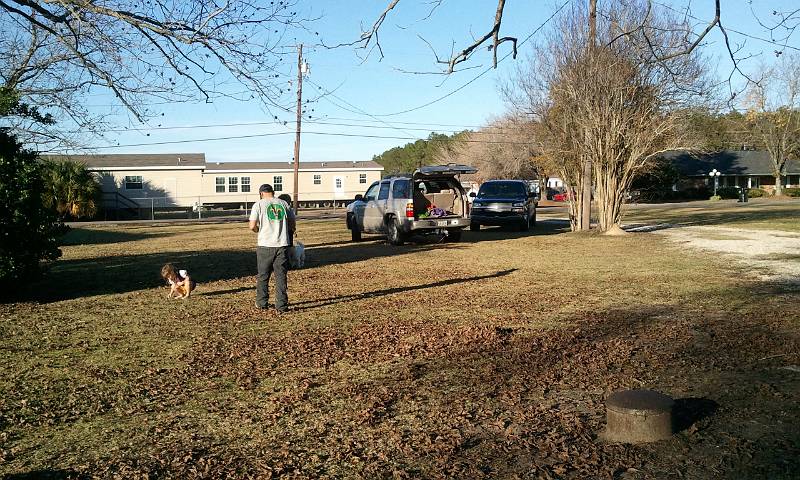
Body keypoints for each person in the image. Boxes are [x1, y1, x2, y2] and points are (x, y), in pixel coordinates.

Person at [249, 184, 295, 313]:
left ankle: (261, 302)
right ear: (273, 192)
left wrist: (258, 230)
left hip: (265, 245)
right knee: (281, 276)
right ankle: (281, 305)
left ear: (261, 193)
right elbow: (292, 224)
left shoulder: (258, 205)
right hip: (282, 244)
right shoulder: (284, 204)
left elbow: (252, 225)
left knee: (263, 275)